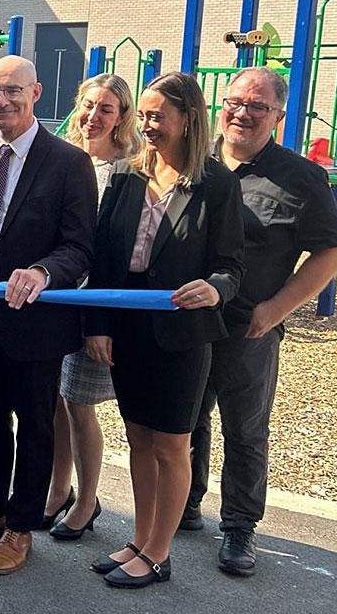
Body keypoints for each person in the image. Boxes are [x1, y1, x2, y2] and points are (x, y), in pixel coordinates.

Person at [185, 66, 337, 575]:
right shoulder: (195, 160)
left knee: (245, 428)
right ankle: (184, 502)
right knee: (186, 418)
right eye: (235, 102)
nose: (242, 113)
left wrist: (276, 309)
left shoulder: (301, 177)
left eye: (257, 106)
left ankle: (238, 526)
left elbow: (332, 253)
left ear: (278, 115)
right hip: (187, 322)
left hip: (247, 326)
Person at [83, 71, 244, 589]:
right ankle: (140, 538)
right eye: (144, 115)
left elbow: (231, 265)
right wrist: (99, 324)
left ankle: (158, 552)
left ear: (188, 118)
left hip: (180, 335)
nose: (146, 125)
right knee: (137, 438)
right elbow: (106, 256)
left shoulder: (217, 183)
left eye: (158, 116)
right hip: (126, 327)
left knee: (172, 445)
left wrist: (216, 287)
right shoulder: (128, 175)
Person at [0, 55, 97, 576]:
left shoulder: (69, 162)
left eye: (11, 92)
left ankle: (20, 525)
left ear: (34, 92)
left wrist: (42, 271)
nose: (0, 102)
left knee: (34, 425)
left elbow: (79, 247)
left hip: (36, 322)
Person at [44, 74, 140, 540]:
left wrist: (102, 317)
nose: (93, 116)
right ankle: (58, 488)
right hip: (58, 297)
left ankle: (87, 499)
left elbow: (118, 249)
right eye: (87, 105)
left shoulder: (129, 170)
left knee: (81, 403)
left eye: (105, 108)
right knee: (56, 401)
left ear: (121, 116)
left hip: (93, 301)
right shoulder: (66, 159)